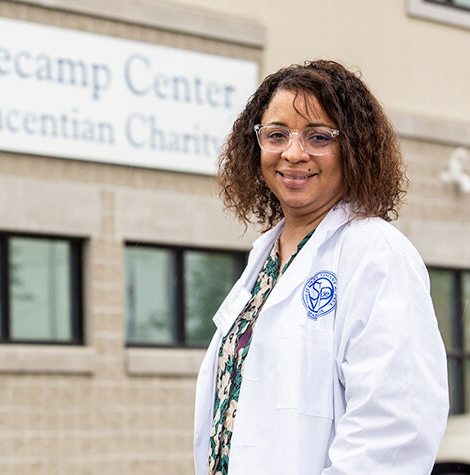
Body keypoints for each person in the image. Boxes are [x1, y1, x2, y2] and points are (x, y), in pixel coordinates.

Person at [192, 60, 449, 475]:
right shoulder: (265, 260)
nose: (293, 153)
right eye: (277, 135)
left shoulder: (376, 254)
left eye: (318, 136)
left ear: (354, 148)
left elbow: (395, 428)